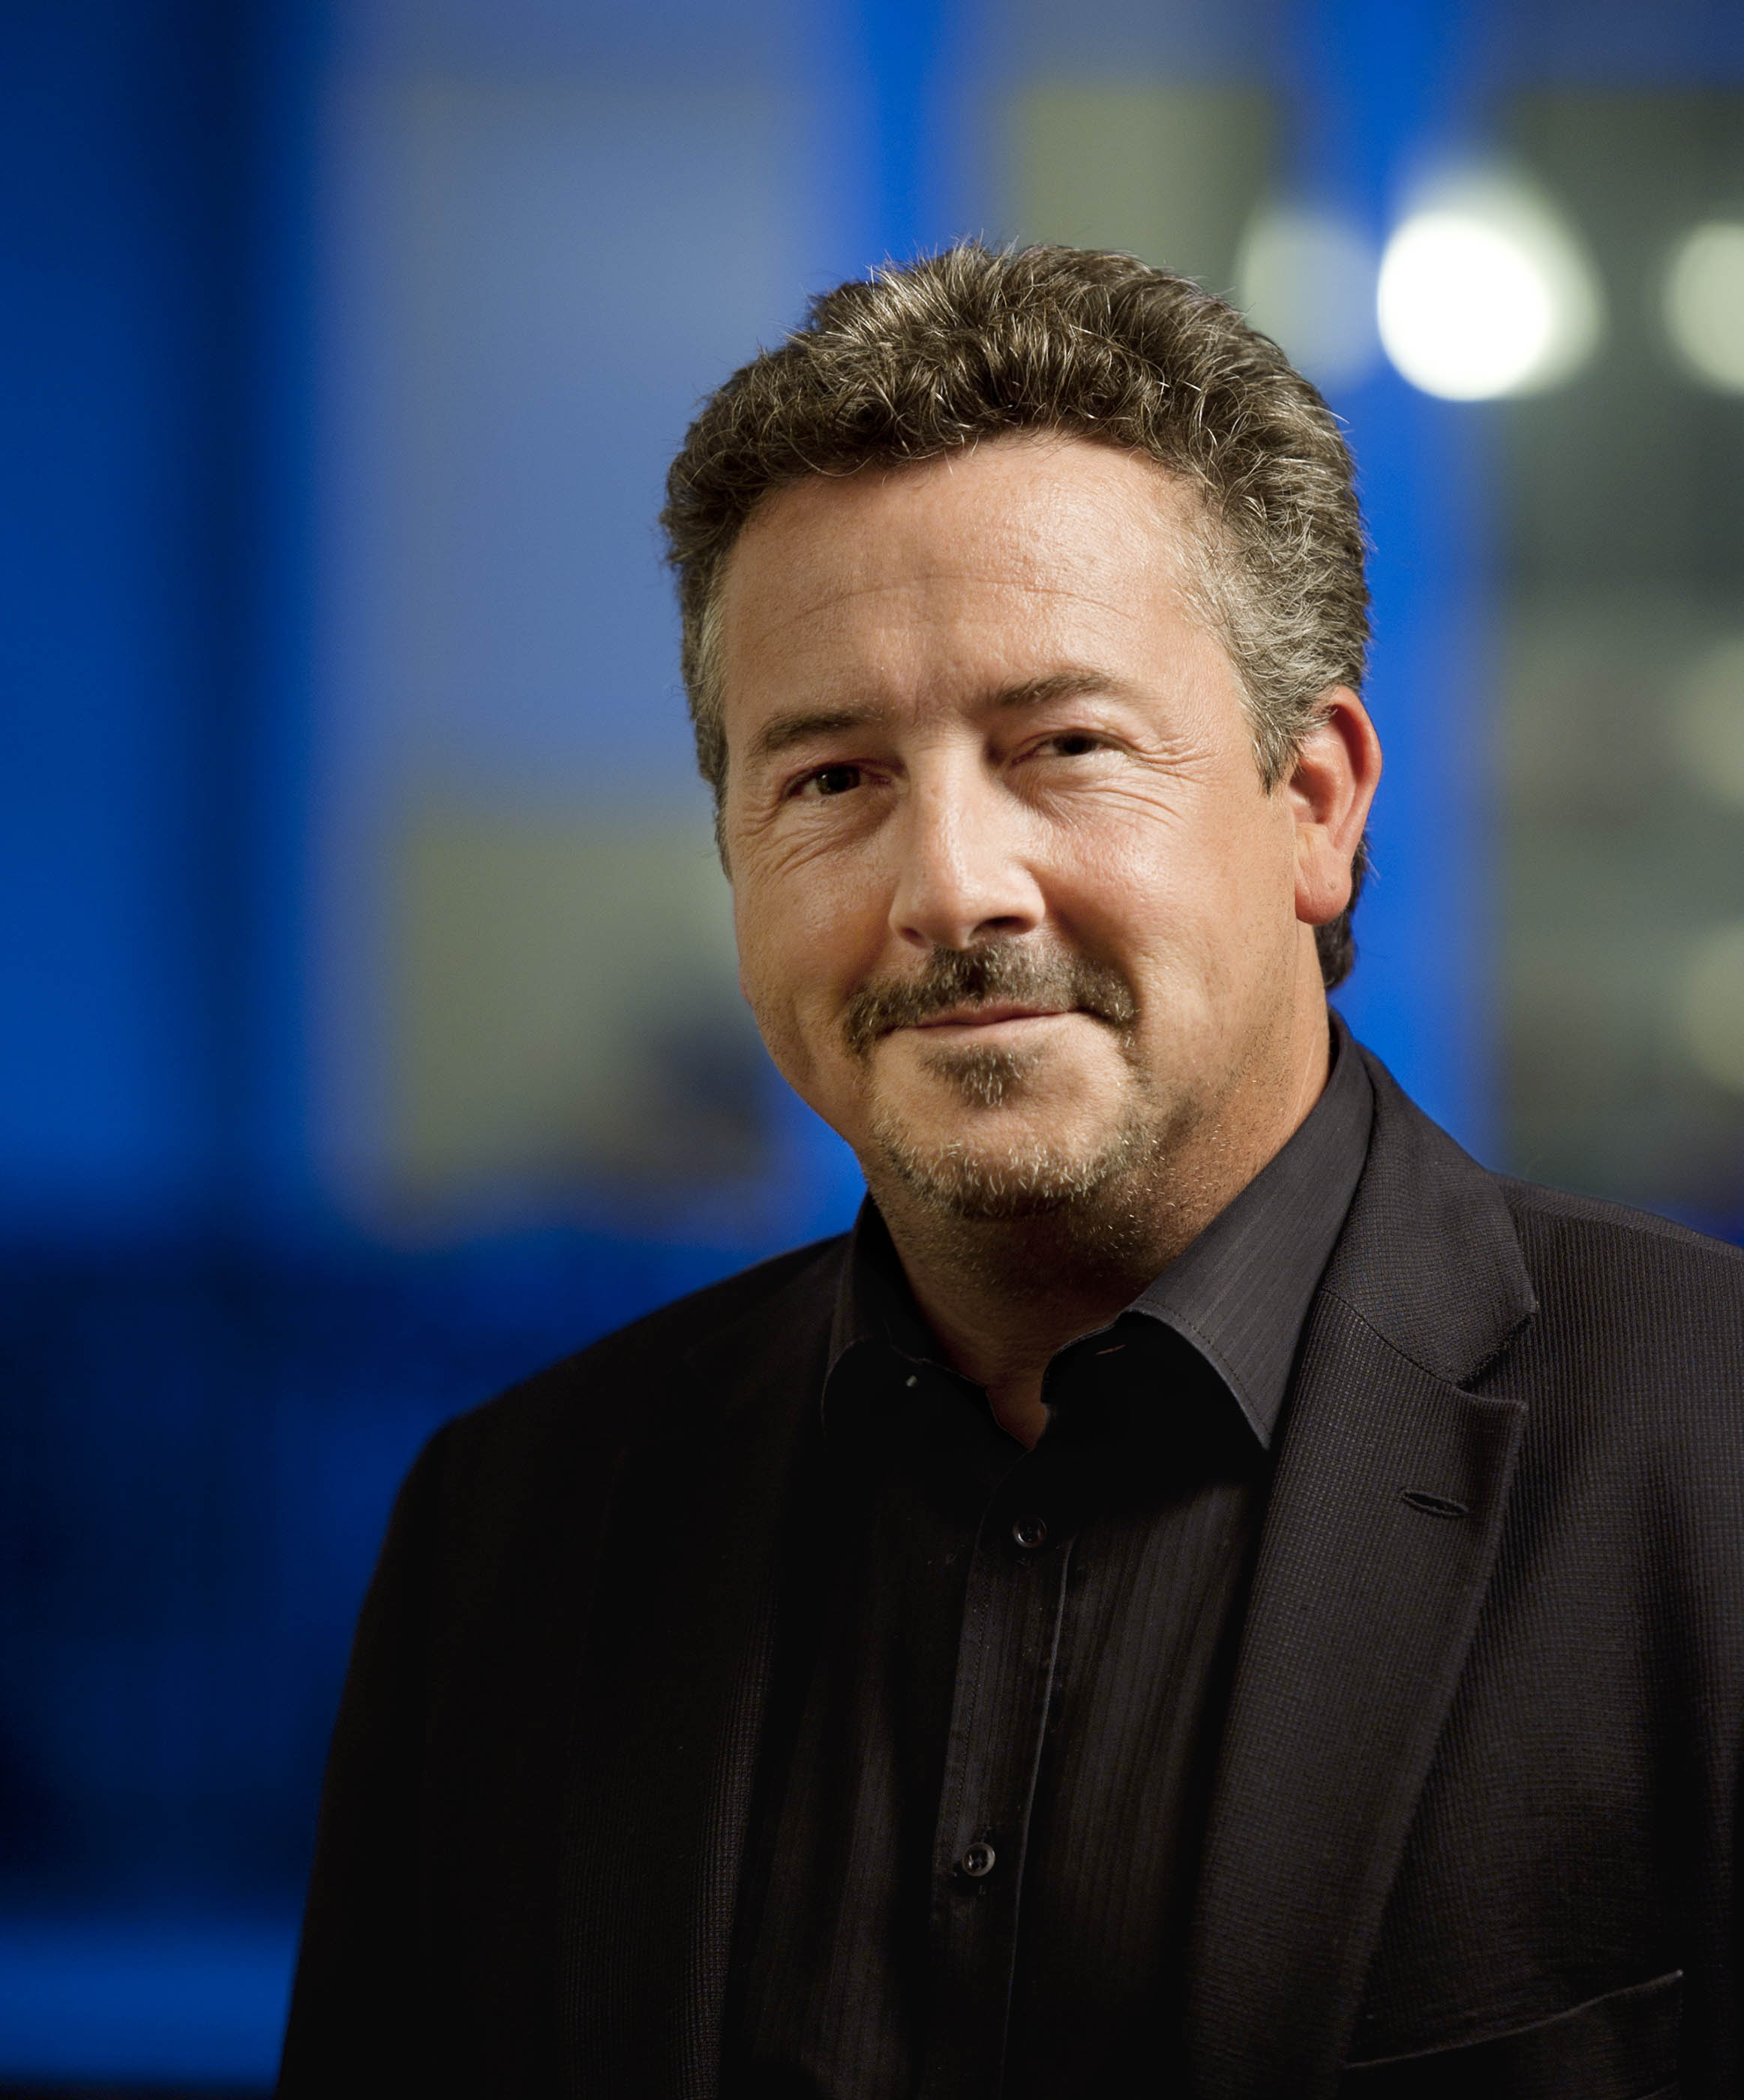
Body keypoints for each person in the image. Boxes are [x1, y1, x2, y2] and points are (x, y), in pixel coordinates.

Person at [278, 244, 1744, 2100]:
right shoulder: (510, 1534)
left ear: (1313, 802)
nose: (949, 887)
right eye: (830, 779)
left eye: (1061, 746)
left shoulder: (1712, 1453)